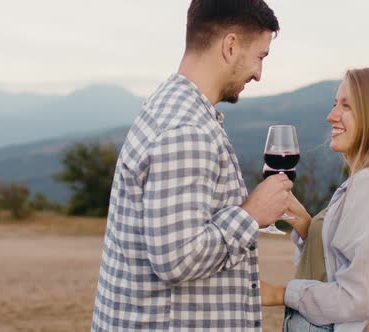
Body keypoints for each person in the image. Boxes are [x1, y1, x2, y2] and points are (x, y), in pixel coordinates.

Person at [91, 1, 288, 331]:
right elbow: (178, 259)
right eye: (260, 56)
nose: (258, 73)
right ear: (230, 45)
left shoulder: (167, 105)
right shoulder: (188, 130)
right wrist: (252, 214)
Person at [261, 67, 369, 332]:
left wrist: (279, 293)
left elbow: (357, 299)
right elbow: (333, 268)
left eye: (346, 107)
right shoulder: (364, 182)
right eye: (335, 104)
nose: (331, 116)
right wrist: (305, 224)